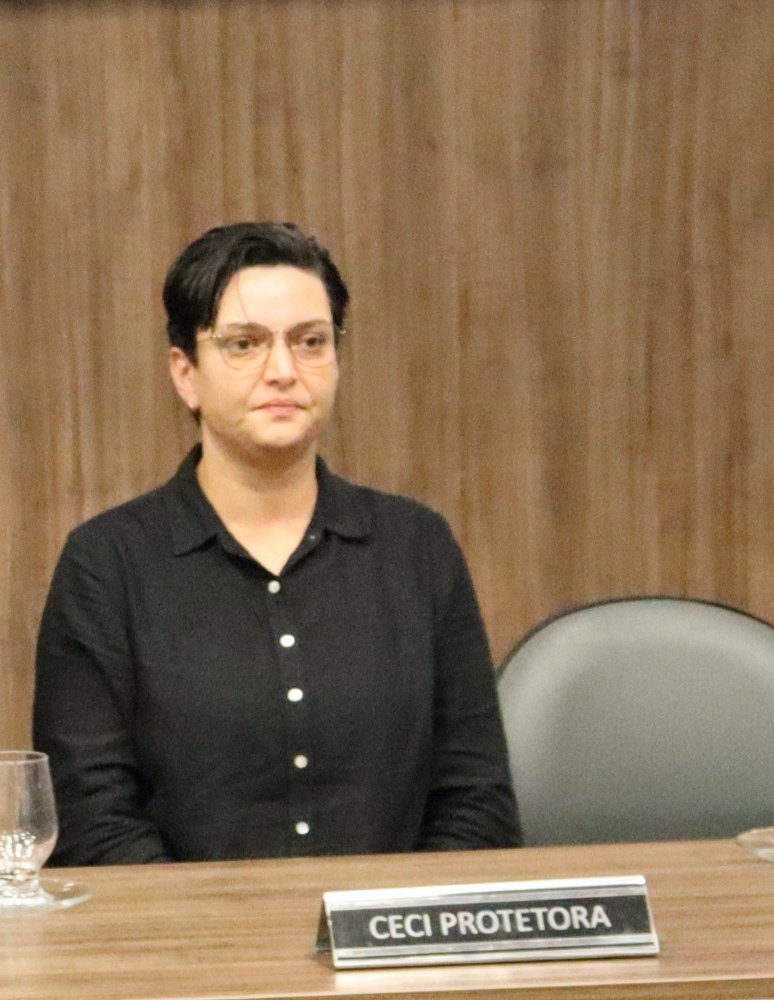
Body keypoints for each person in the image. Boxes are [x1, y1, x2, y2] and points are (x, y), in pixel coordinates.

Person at [32, 223, 517, 866]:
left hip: (394, 926)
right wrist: (222, 923)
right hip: (182, 929)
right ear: (186, 373)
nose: (284, 371)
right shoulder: (107, 563)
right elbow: (92, 820)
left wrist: (395, 917)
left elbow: (477, 802)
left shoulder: (416, 547)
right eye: (244, 345)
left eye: (311, 342)